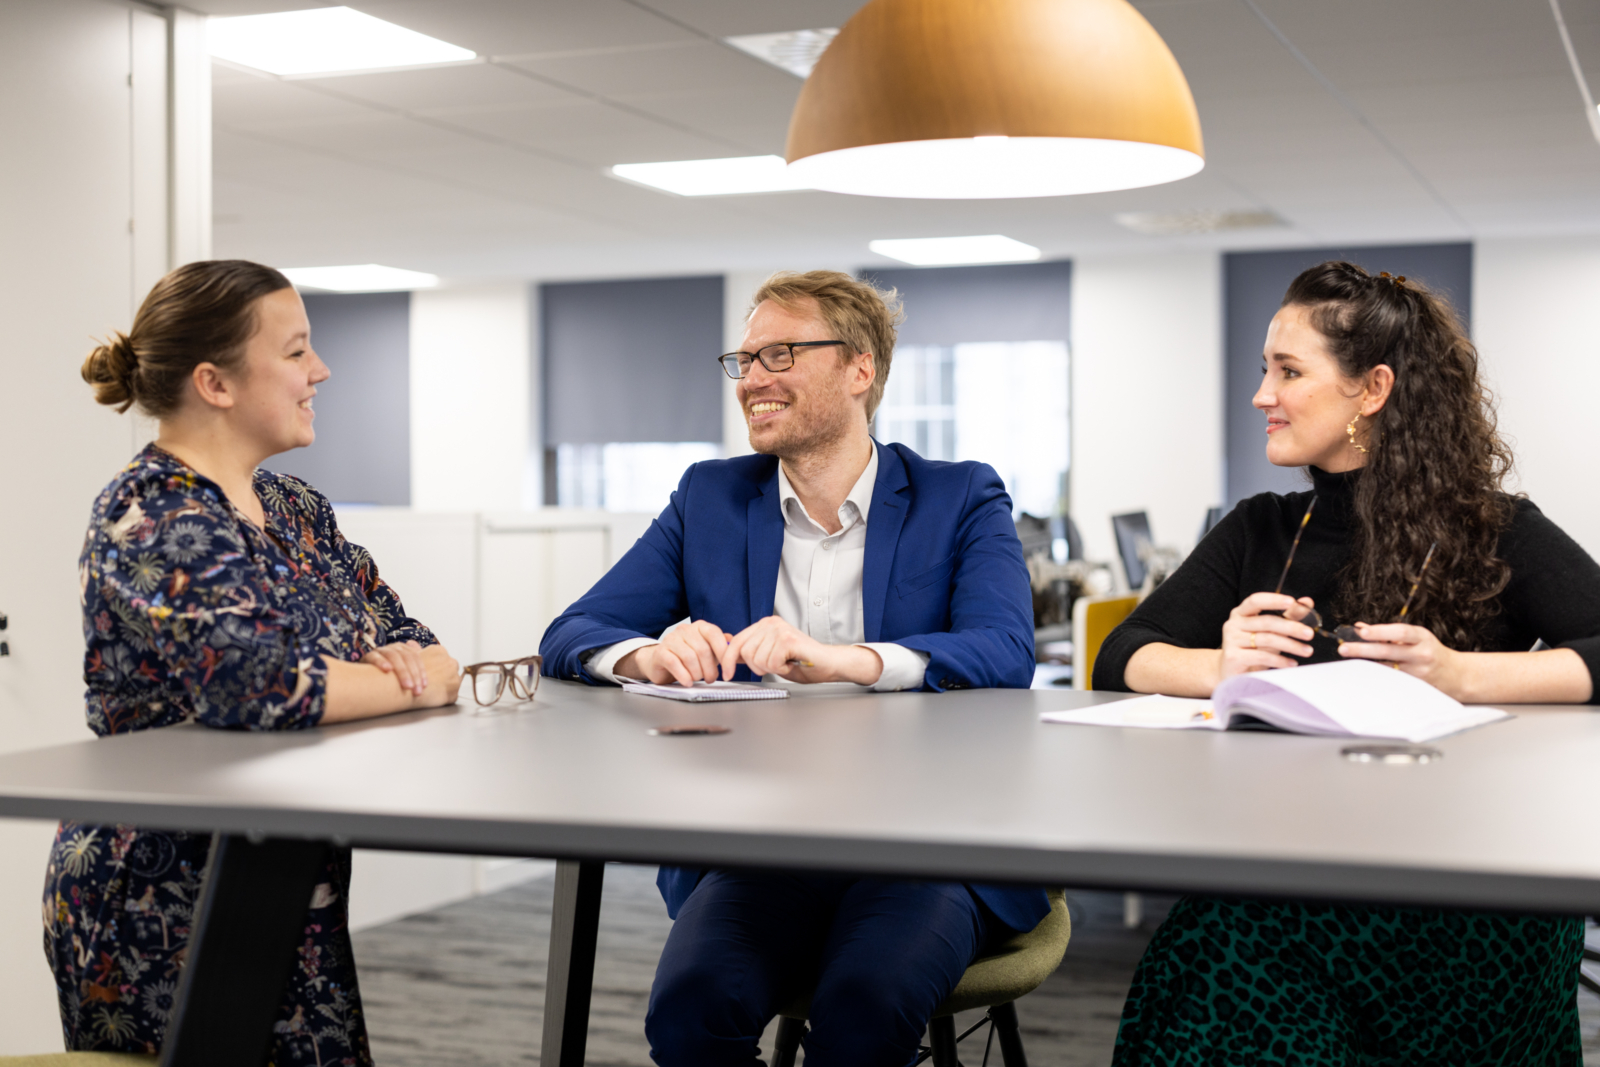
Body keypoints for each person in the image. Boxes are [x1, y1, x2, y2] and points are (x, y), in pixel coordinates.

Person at [1095, 261, 1600, 1065]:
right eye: (1265, 369)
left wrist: (1466, 677)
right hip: (1297, 865)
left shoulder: (1493, 527)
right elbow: (1122, 654)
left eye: (1288, 371)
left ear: (1372, 389)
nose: (1262, 395)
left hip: (1466, 893)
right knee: (1217, 932)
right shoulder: (1260, 526)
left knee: (1226, 937)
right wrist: (1222, 667)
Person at [539, 270, 1047, 1066]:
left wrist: (849, 660)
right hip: (763, 844)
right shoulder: (710, 497)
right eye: (742, 359)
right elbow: (572, 630)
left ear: (859, 369)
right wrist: (646, 651)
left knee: (862, 1013)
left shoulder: (960, 495)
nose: (751, 379)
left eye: (779, 354)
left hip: (929, 842)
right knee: (688, 1011)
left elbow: (1007, 649)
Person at [49, 260, 462, 1062]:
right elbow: (263, 684)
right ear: (216, 382)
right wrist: (397, 682)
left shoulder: (295, 508)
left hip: (287, 877)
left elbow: (417, 639)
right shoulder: (150, 513)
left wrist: (384, 673)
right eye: (297, 351)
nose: (322, 371)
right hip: (161, 899)